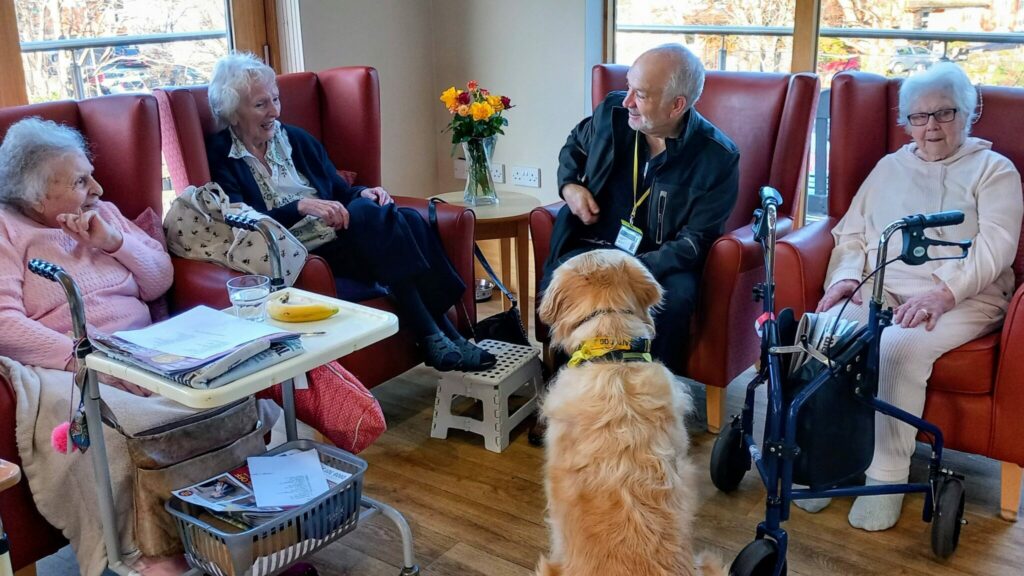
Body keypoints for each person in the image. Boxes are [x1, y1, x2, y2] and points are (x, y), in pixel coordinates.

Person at [794, 63, 1022, 531]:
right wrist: (845, 278)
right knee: (822, 331)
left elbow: (997, 247)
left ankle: (886, 476)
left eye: (944, 113)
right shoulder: (888, 167)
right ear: (906, 121)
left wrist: (945, 292)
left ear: (970, 113)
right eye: (919, 117)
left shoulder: (994, 170)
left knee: (897, 346)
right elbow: (853, 233)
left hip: (965, 297)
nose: (931, 127)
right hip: (881, 285)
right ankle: (827, 460)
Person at [205, 52, 494, 372]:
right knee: (393, 220)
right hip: (303, 253)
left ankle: (437, 336)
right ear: (233, 113)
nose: (274, 111)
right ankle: (445, 332)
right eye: (261, 104)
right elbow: (239, 217)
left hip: (343, 234)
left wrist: (365, 192)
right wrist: (299, 206)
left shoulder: (296, 141)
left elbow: (340, 193)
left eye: (276, 99)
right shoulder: (221, 156)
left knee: (396, 216)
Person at [0, 118, 190, 575]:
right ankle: (151, 552)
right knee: (132, 432)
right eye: (81, 181)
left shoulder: (102, 213)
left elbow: (159, 280)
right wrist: (93, 362)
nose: (98, 187)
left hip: (144, 348)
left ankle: (232, 525)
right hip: (64, 363)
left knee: (219, 399)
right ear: (37, 196)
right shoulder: (7, 231)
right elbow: (5, 323)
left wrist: (114, 241)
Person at [543, 43, 740, 374]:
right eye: (628, 87)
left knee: (674, 301)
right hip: (595, 244)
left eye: (642, 95)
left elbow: (697, 241)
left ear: (677, 105)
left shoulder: (717, 158)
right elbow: (575, 146)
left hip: (661, 261)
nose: (627, 101)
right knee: (567, 284)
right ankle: (570, 391)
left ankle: (648, 398)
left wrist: (627, 270)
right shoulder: (612, 114)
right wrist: (570, 186)